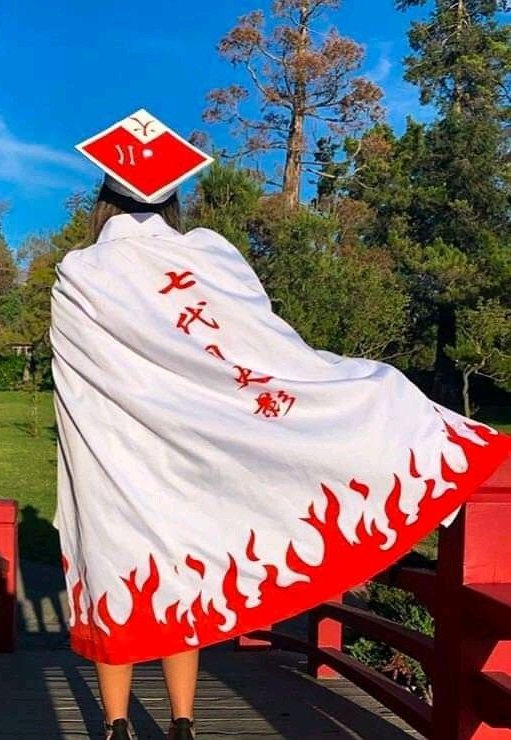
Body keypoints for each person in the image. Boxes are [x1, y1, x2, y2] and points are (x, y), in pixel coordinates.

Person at [50, 110, 510, 740]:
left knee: (122, 574)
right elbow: (261, 349)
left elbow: (76, 384)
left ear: (103, 201)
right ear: (174, 199)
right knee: (183, 575)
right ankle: (183, 723)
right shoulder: (208, 257)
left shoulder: (81, 273)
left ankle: (117, 727)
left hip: (112, 455)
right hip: (188, 458)